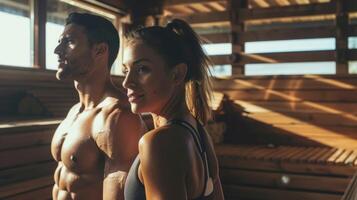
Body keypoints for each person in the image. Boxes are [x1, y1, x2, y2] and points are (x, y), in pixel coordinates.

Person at [122, 19, 224, 200]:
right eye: (125, 70)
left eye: (142, 69)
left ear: (176, 74)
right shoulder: (198, 132)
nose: (127, 82)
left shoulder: (159, 143)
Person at [51, 12, 144, 200]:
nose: (57, 50)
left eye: (69, 42)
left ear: (100, 50)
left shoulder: (118, 117)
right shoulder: (74, 112)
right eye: (59, 42)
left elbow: (119, 193)